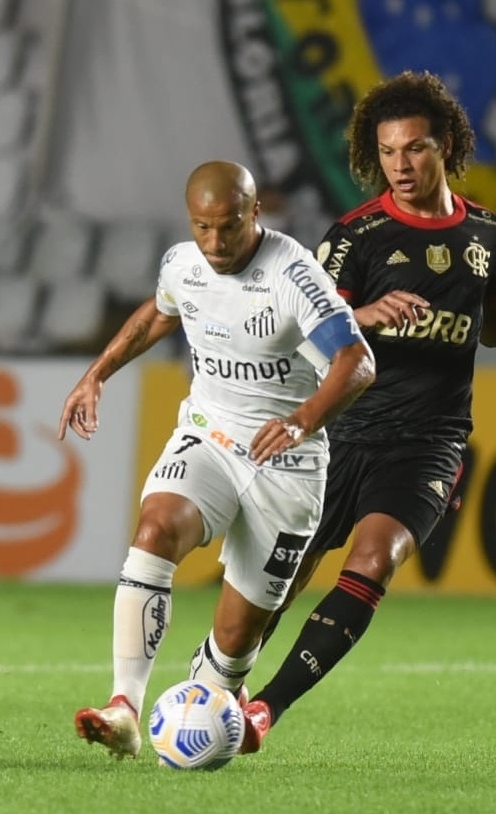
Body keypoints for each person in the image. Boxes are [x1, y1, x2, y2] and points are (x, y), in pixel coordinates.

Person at [240, 71, 496, 752]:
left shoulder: (490, 234)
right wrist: (364, 315)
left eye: (415, 149)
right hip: (343, 431)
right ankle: (215, 684)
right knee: (279, 584)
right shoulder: (355, 236)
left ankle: (263, 712)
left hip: (430, 441)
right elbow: (305, 333)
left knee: (375, 559)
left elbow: (489, 323)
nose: (400, 166)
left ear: (449, 146)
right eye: (388, 152)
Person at [59, 160, 375, 758]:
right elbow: (159, 313)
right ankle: (125, 707)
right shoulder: (183, 264)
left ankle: (211, 700)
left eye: (228, 227)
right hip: (209, 435)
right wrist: (96, 374)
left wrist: (301, 419)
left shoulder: (294, 275)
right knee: (154, 529)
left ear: (255, 213)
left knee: (235, 637)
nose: (214, 243)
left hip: (287, 465)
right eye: (202, 227)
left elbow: (358, 364)